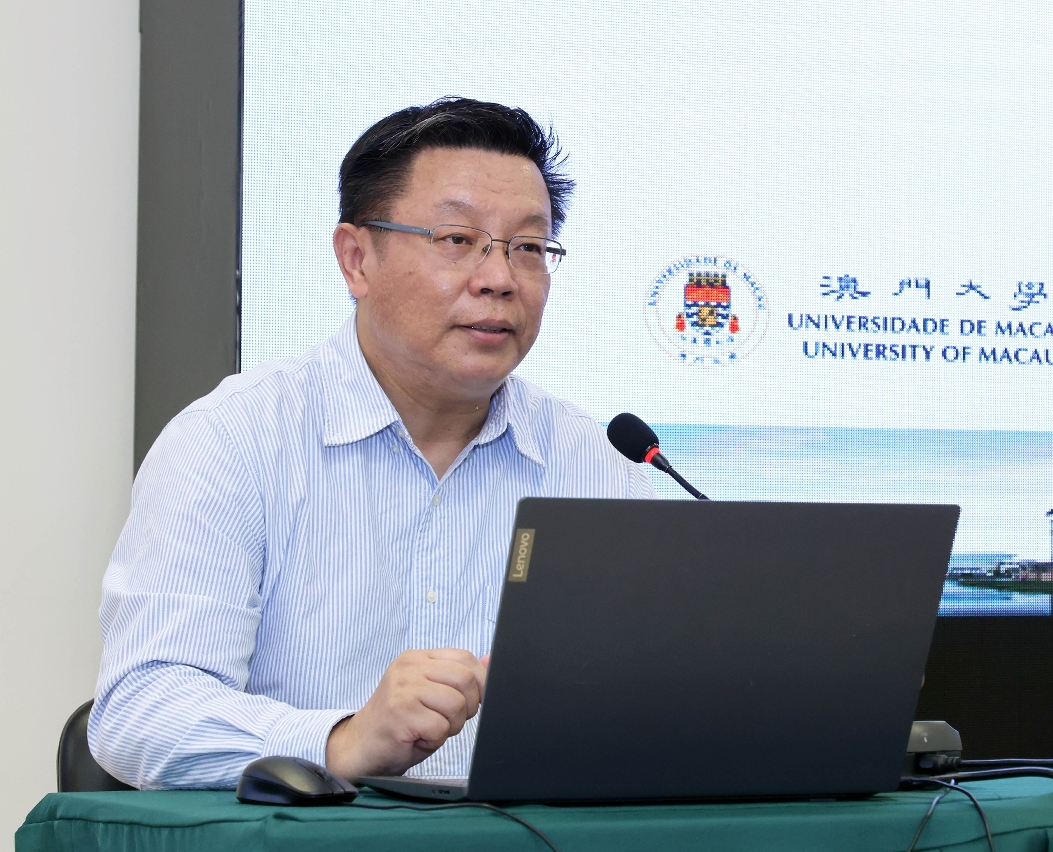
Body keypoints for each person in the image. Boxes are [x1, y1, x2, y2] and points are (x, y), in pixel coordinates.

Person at [89, 97, 656, 790]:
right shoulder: (233, 441)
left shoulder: (597, 465)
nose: (499, 278)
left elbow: (651, 701)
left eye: (529, 248)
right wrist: (341, 740)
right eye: (457, 239)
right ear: (356, 260)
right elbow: (141, 709)